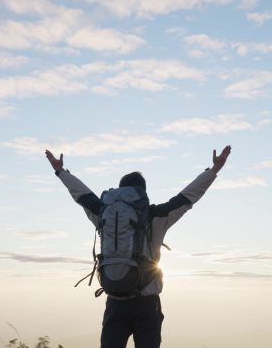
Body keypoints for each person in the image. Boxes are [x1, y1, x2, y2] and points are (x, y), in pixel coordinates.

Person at [45, 145, 231, 348]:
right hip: (147, 303)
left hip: (115, 302)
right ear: (142, 193)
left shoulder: (103, 213)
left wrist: (61, 172)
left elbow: (81, 195)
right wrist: (213, 171)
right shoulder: (155, 216)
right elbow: (186, 197)